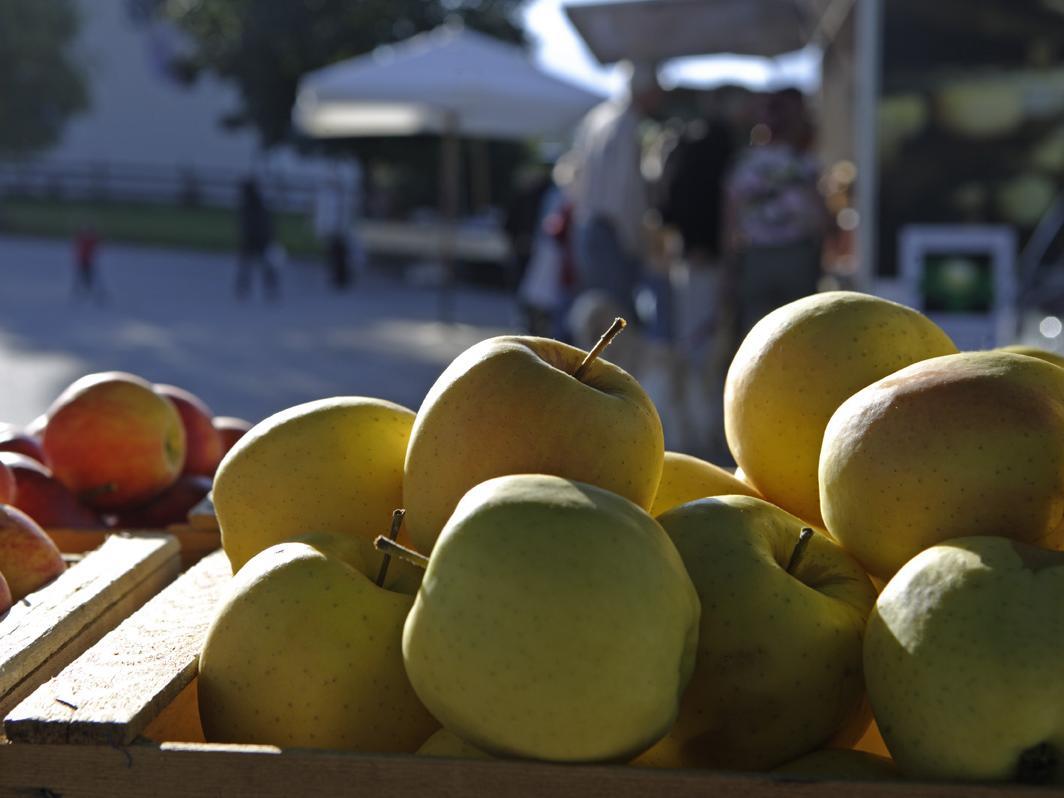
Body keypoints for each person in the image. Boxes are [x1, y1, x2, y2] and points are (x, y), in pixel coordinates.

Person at [724, 88, 828, 339]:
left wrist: (730, 265)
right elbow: (819, 214)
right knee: (801, 332)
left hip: (756, 258)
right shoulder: (803, 163)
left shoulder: (744, 164)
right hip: (797, 256)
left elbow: (729, 218)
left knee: (756, 336)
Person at [566, 60, 663, 324]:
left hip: (588, 224)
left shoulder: (600, 116)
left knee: (595, 310)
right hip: (611, 231)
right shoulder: (626, 124)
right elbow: (624, 191)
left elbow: (574, 174)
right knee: (613, 317)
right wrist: (635, 240)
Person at [235, 177, 279, 300]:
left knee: (248, 265)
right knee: (262, 266)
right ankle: (269, 288)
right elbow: (268, 222)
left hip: (254, 238)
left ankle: (243, 288)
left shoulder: (248, 205)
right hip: (261, 238)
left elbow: (247, 223)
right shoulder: (259, 204)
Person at [72, 224, 106, 303]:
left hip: (88, 261)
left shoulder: (90, 239)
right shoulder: (85, 239)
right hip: (82, 261)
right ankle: (82, 290)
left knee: (87, 276)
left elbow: (99, 243)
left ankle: (85, 290)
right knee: (84, 276)